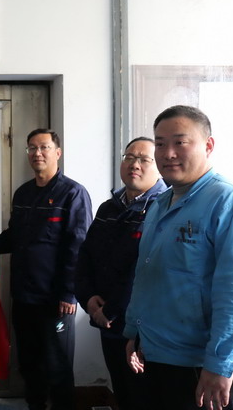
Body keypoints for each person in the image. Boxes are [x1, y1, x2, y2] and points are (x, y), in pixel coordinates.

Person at [124, 105, 233, 410]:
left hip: (199, 365)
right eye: (160, 144)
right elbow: (148, 276)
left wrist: (220, 365)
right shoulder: (160, 204)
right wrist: (134, 332)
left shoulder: (230, 202)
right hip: (154, 354)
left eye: (180, 142)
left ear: (208, 146)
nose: (168, 153)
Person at [0, 128, 92, 410]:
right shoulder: (23, 193)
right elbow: (14, 236)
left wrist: (69, 293)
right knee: (29, 362)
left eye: (44, 147)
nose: (37, 153)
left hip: (55, 300)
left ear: (57, 153)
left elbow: (78, 247)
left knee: (57, 365)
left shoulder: (73, 193)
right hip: (24, 295)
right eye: (32, 148)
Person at [75, 137, 167, 410]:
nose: (134, 165)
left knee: (144, 396)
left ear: (158, 166)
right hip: (105, 321)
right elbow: (86, 255)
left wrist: (111, 310)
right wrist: (88, 298)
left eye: (144, 159)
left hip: (141, 327)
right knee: (122, 392)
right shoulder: (109, 207)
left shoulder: (164, 208)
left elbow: (144, 269)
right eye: (129, 157)